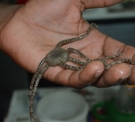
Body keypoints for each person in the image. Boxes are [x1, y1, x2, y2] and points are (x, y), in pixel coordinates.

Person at [0, 0, 135, 88]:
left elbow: (75, 45)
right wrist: (7, 20)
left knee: (89, 66)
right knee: (31, 85)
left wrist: (7, 17)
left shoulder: (63, 51)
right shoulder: (56, 57)